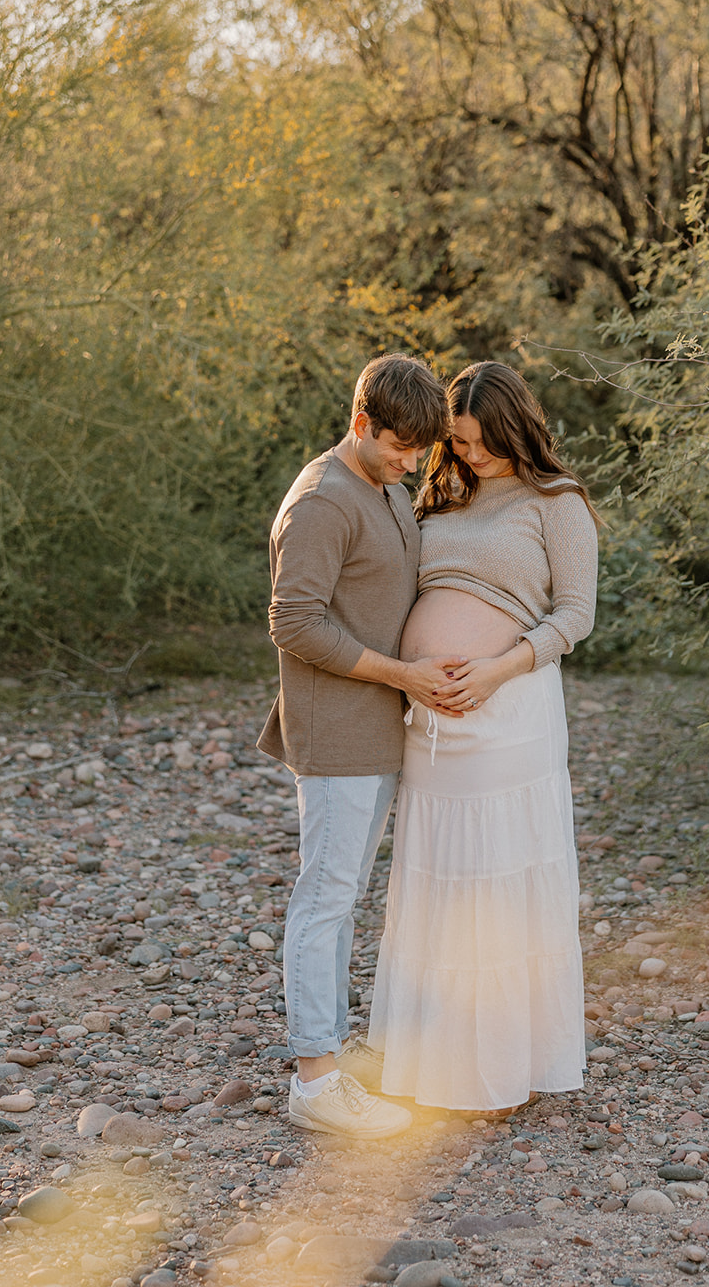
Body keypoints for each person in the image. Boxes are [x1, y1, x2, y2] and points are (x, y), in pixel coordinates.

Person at [367, 361, 599, 1113]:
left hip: (510, 709)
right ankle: (432, 1066)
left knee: (499, 880)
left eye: (481, 442)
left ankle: (503, 1068)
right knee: (439, 878)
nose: (471, 455)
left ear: (513, 426)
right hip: (430, 718)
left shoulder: (554, 501)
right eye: (458, 443)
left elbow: (574, 615)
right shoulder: (437, 495)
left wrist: (495, 671)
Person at [257, 353, 465, 1139]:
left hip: (375, 726)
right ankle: (315, 1082)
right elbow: (293, 622)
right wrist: (403, 674)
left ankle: (333, 1057)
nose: (410, 462)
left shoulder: (379, 485)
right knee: (325, 899)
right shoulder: (321, 501)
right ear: (359, 423)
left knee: (342, 898)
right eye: (399, 446)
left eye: (419, 450)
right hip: (339, 730)